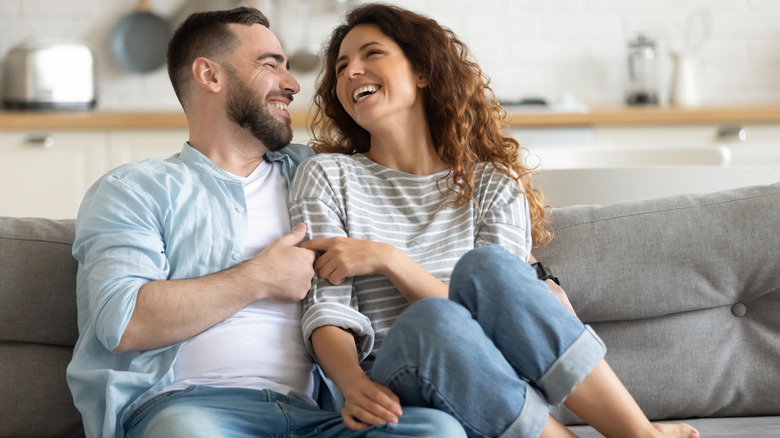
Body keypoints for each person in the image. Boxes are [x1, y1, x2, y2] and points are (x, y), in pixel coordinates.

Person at [288, 3, 700, 438]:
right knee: (433, 321)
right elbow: (327, 308)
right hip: (399, 373)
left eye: (372, 54)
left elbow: (501, 309)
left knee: (490, 270)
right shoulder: (326, 176)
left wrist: (391, 260)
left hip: (495, 374)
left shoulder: (491, 183)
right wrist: (352, 385)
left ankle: (639, 434)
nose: (351, 72)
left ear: (422, 72)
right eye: (341, 67)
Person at [66, 6, 465, 438]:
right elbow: (122, 322)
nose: (293, 84)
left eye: (289, 68)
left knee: (437, 430)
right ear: (210, 75)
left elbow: (428, 222)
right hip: (190, 410)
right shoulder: (134, 189)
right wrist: (260, 277)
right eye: (271, 64)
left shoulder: (321, 176)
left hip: (320, 417)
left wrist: (537, 279)